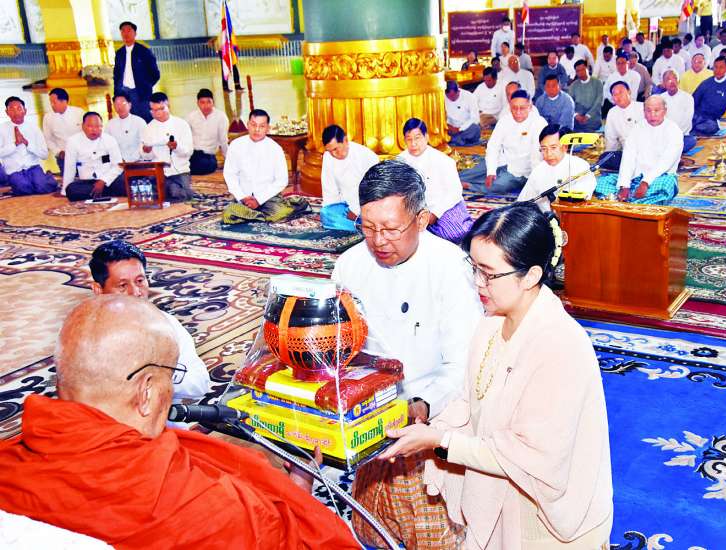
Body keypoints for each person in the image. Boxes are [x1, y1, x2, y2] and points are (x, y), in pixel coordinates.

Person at [0, 294, 360, 549]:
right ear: (146, 392)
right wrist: (298, 494)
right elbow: (297, 538)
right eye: (171, 377)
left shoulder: (10, 464)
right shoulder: (206, 508)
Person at [378, 202, 613, 549]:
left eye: (488, 274)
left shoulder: (560, 344)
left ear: (530, 276)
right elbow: (469, 399)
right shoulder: (491, 323)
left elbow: (532, 456)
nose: (477, 283)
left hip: (545, 516)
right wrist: (428, 425)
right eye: (473, 268)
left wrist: (441, 441)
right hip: (501, 486)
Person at [333, 160, 483, 549]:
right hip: (371, 414)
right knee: (371, 527)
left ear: (421, 219)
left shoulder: (452, 268)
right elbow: (341, 346)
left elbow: (463, 364)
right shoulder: (349, 265)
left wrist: (422, 404)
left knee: (436, 531)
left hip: (435, 412)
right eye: (368, 227)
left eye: (390, 229)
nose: (378, 240)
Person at [88, 240, 210, 403]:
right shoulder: (84, 334)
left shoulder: (166, 324)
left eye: (140, 281)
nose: (135, 292)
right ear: (98, 289)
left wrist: (158, 375)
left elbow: (200, 383)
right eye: (122, 285)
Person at [222, 109, 307, 224]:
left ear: (268, 128)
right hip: (244, 198)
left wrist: (258, 200)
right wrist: (242, 197)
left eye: (261, 126)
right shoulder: (236, 145)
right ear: (247, 125)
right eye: (253, 125)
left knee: (280, 213)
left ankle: (252, 215)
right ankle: (261, 216)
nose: (257, 130)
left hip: (268, 197)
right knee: (228, 215)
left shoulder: (275, 149)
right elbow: (230, 174)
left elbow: (281, 181)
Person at [596, 95, 683, 204]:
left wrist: (646, 182)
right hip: (636, 177)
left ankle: (629, 201)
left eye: (656, 110)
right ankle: (636, 201)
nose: (652, 115)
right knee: (601, 182)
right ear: (644, 112)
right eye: (648, 111)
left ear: (665, 111)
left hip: (660, 177)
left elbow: (666, 162)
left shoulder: (674, 130)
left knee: (666, 185)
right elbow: (628, 157)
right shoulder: (637, 128)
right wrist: (624, 185)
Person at [399, 118, 473, 243]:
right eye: (409, 139)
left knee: (454, 233)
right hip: (415, 210)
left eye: (417, 138)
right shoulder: (400, 161)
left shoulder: (443, 160)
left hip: (444, 208)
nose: (413, 144)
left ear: (426, 137)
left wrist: (435, 214)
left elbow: (454, 193)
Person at [462, 90, 547, 195]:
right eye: (514, 108)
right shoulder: (505, 120)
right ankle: (455, 181)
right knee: (470, 174)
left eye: (522, 108)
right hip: (502, 161)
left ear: (530, 106)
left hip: (521, 172)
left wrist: (534, 181)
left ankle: (469, 186)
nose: (518, 112)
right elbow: (493, 146)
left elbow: (536, 157)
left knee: (499, 186)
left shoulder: (539, 123)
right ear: (510, 107)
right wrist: (491, 171)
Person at [517, 124, 597, 211]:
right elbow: (524, 200)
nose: (548, 153)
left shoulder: (580, 166)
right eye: (544, 149)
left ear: (565, 147)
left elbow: (582, 198)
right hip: (544, 217)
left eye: (553, 148)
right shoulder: (539, 170)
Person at [320, 124, 379, 230]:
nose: (333, 154)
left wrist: (356, 211)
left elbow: (374, 191)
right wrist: (331, 210)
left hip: (368, 206)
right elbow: (329, 191)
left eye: (335, 149)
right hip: (346, 207)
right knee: (326, 213)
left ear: (345, 140)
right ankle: (360, 227)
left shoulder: (367, 156)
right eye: (330, 151)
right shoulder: (328, 157)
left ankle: (360, 226)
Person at [140, 92, 193, 201]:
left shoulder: (181, 124)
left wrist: (176, 147)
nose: (158, 113)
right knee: (148, 194)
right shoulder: (148, 128)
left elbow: (188, 152)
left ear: (168, 105)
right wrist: (147, 151)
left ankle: (171, 190)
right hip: (158, 172)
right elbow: (145, 157)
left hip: (179, 171)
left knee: (180, 194)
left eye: (161, 109)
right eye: (154, 110)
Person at [0, 96, 58, 196]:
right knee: (24, 189)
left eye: (19, 108)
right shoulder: (2, 129)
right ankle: (31, 182)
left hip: (33, 167)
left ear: (25, 111)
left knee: (43, 187)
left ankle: (48, 176)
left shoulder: (34, 128)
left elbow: (44, 154)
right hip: (14, 170)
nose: (16, 112)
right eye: (12, 109)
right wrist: (15, 144)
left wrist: (27, 143)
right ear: (7, 112)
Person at [62, 112, 125, 202]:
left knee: (125, 182)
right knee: (71, 190)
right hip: (88, 182)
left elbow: (118, 165)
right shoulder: (73, 141)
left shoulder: (110, 140)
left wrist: (103, 181)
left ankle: (98, 193)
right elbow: (70, 167)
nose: (94, 130)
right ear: (83, 126)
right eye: (90, 126)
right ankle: (104, 193)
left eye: (98, 126)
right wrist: (65, 191)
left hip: (109, 180)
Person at [113, 21, 160, 122]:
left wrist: (146, 86)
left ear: (135, 33)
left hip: (141, 93)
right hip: (124, 92)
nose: (126, 33)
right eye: (123, 31)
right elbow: (116, 74)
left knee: (145, 119)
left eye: (129, 30)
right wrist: (117, 92)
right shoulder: (119, 53)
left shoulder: (144, 51)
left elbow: (155, 74)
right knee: (129, 120)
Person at [693, 56, 726, 136]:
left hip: (711, 121)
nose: (717, 70)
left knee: (712, 127)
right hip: (697, 116)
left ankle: (692, 129)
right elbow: (693, 101)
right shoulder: (706, 83)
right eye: (715, 67)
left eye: (721, 67)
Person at [602, 81, 645, 171]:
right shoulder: (612, 112)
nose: (618, 96)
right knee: (605, 159)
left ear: (629, 92)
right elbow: (611, 138)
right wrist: (609, 155)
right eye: (615, 94)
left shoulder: (642, 108)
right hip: (626, 153)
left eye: (621, 92)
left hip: (645, 151)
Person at [186, 88, 229, 175]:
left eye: (209, 102)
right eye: (202, 102)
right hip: (192, 153)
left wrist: (228, 160)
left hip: (208, 156)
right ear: (197, 103)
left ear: (213, 102)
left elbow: (223, 140)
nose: (206, 106)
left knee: (204, 164)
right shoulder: (191, 117)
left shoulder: (221, 117)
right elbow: (184, 137)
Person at [42, 88, 83, 175]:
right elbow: (47, 139)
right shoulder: (48, 117)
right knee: (69, 179)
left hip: (81, 154)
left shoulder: (79, 113)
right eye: (50, 102)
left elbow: (87, 135)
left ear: (64, 101)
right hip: (63, 157)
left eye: (54, 102)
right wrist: (58, 152)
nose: (52, 105)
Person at [660, 70, 697, 153]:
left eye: (675, 78)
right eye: (668, 79)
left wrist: (674, 135)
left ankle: (668, 151)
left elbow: (687, 122)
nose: (672, 82)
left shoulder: (688, 98)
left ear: (678, 81)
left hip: (682, 135)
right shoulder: (660, 99)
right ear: (664, 84)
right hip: (664, 135)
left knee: (691, 141)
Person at [105, 91, 146, 162]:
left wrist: (131, 159)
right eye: (117, 104)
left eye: (123, 103)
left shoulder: (139, 122)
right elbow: (107, 145)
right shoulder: (110, 124)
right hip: (118, 162)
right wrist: (119, 159)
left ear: (130, 105)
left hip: (138, 161)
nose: (120, 107)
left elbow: (143, 143)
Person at [601, 53, 641, 118]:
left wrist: (624, 104)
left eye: (623, 63)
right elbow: (605, 91)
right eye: (618, 63)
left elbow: (633, 95)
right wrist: (614, 100)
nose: (620, 65)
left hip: (629, 104)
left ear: (628, 63)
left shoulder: (635, 76)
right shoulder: (612, 76)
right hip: (614, 103)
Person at [568, 59, 603, 132]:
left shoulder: (598, 83)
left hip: (593, 118)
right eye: (578, 71)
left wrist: (587, 116)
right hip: (577, 120)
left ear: (588, 69)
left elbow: (598, 103)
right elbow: (569, 104)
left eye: (583, 69)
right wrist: (576, 115)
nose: (581, 73)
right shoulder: (573, 85)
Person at [445, 80, 481, 146]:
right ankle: (458, 140)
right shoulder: (442, 98)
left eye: (453, 96)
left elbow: (475, 119)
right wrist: (449, 126)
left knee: (476, 129)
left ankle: (454, 140)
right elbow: (442, 118)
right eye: (449, 96)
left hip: (466, 128)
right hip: (451, 129)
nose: (451, 98)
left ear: (458, 91)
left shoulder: (469, 96)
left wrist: (459, 129)